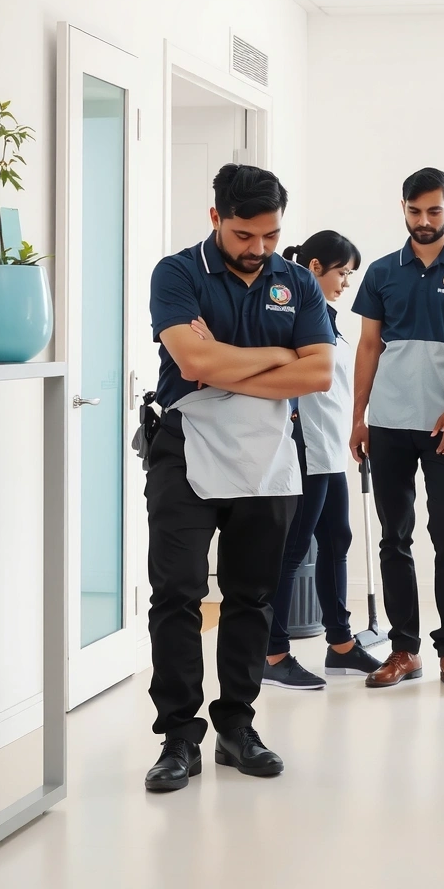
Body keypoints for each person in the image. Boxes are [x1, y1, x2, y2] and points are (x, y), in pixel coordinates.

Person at [143, 164, 334, 793]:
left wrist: (226, 366)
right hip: (185, 446)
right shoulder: (176, 274)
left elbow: (318, 375)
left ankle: (237, 729)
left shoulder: (297, 283)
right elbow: (191, 361)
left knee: (252, 596)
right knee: (177, 592)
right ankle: (177, 737)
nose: (258, 250)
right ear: (215, 218)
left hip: (267, 452)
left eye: (270, 236)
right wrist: (280, 355)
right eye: (244, 235)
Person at [349, 168, 444, 693]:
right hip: (387, 424)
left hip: (443, 425)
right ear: (403, 209)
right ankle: (404, 649)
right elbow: (367, 348)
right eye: (415, 211)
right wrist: (359, 416)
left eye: (434, 210)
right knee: (394, 538)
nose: (424, 221)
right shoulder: (383, 272)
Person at [260, 230, 384, 691]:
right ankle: (273, 653)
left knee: (337, 541)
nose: (346, 283)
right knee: (293, 551)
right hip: (307, 447)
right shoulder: (295, 317)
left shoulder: (325, 317)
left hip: (332, 450)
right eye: (342, 273)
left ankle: (341, 644)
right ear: (314, 268)